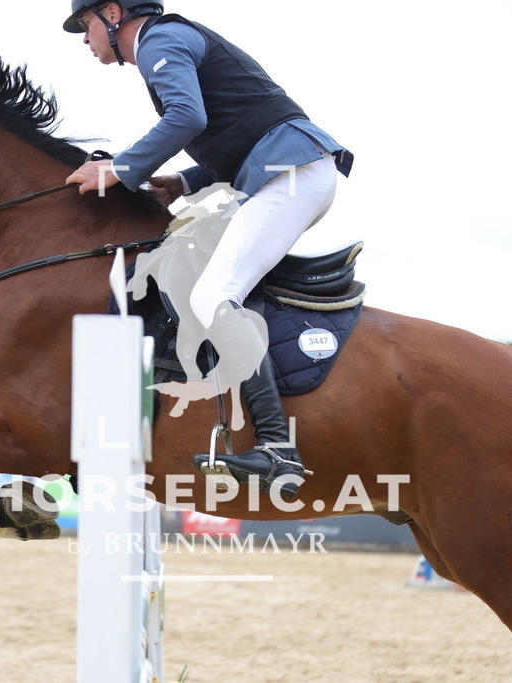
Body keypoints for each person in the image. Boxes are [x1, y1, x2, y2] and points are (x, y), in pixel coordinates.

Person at [63, 0, 353, 501]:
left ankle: (278, 447)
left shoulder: (159, 39)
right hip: (287, 171)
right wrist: (183, 181)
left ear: (112, 14)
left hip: (292, 175)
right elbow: (239, 129)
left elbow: (187, 117)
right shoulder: (168, 41)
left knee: (214, 294)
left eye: (85, 24)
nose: (84, 40)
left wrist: (121, 168)